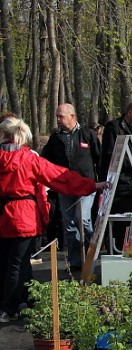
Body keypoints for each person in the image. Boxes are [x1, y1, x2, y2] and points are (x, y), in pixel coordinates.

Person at [0, 117, 109, 322]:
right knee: (17, 263)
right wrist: (91, 185)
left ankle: (27, 299)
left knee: (10, 262)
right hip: (22, 215)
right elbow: (60, 177)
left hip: (4, 213)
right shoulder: (28, 159)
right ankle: (9, 306)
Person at [41, 103, 102, 271]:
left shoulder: (87, 135)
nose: (58, 120)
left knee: (82, 219)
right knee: (68, 225)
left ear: (72, 117)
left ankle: (91, 256)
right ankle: (76, 261)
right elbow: (45, 160)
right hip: (65, 187)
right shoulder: (55, 138)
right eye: (57, 117)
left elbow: (100, 159)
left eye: (61, 116)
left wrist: (101, 182)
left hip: (86, 185)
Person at [100, 99, 132, 250]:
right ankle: (117, 252)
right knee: (121, 225)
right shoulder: (114, 128)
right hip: (122, 186)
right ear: (129, 113)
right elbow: (112, 155)